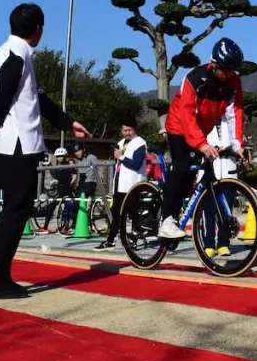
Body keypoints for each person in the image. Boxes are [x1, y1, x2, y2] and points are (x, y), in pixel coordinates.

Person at [0, 3, 90, 300]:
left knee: (16, 210)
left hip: (11, 143)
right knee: (15, 210)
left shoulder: (9, 51)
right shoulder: (16, 56)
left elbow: (36, 99)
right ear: (38, 28)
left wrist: (67, 122)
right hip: (15, 144)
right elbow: (1, 98)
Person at [160, 37, 246, 240]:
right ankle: (166, 220)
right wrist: (201, 143)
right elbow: (187, 115)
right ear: (214, 63)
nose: (228, 74)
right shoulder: (194, 78)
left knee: (192, 176)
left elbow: (235, 114)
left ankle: (178, 215)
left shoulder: (234, 82)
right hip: (179, 126)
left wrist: (237, 144)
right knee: (182, 166)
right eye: (224, 68)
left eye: (232, 70)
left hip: (201, 130)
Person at [95, 121, 147, 251]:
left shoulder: (140, 143)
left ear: (134, 129)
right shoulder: (120, 143)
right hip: (119, 183)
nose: (127, 133)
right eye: (125, 130)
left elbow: (136, 164)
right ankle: (111, 240)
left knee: (133, 213)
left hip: (133, 183)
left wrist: (121, 157)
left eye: (130, 130)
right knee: (116, 213)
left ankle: (133, 240)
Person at [200, 120, 234, 257]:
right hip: (209, 170)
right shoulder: (204, 120)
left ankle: (223, 244)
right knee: (208, 211)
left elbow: (238, 142)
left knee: (226, 210)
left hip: (228, 169)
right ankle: (209, 244)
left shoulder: (231, 121)